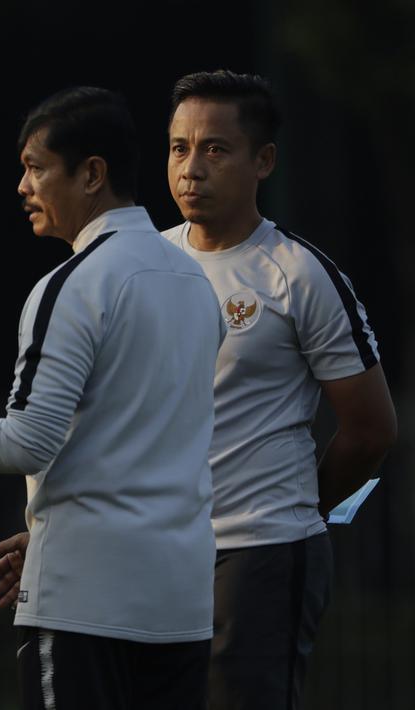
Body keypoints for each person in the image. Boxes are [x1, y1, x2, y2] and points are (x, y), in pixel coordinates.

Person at [0, 87, 224, 709]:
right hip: (182, 602)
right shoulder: (194, 280)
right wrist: (47, 533)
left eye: (36, 167)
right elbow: (150, 445)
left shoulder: (74, 283)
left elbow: (27, 440)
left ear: (92, 174)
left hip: (85, 601)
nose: (22, 186)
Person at [162, 69, 397, 709]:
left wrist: (297, 509)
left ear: (263, 161)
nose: (191, 169)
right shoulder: (142, 266)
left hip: (259, 551)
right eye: (179, 148)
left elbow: (372, 430)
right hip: (154, 547)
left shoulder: (299, 275)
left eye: (215, 149)